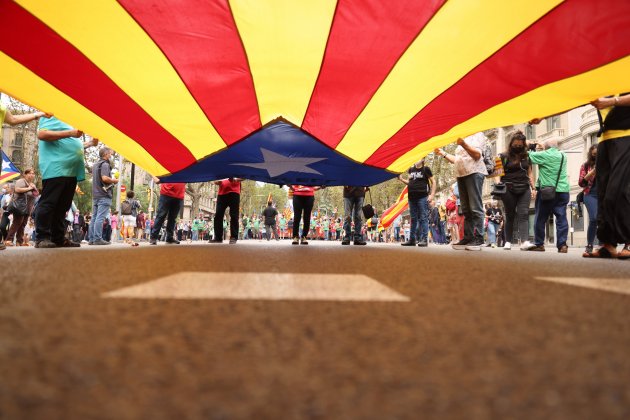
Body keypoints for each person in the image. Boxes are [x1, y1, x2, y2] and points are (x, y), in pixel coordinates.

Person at [35, 116, 98, 248]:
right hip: (56, 168)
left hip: (71, 171)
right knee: (49, 203)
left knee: (63, 206)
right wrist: (71, 133)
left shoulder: (68, 121)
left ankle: (58, 238)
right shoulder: (51, 115)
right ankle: (42, 237)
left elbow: (71, 144)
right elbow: (42, 134)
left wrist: (90, 143)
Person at [586, 93, 630, 259]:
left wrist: (612, 101)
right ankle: (608, 244)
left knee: (619, 191)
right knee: (603, 195)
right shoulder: (603, 79)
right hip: (605, 140)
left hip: (626, 136)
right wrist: (542, 115)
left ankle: (628, 240)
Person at [435, 132, 488, 251]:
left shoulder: (478, 134)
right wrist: (443, 153)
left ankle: (479, 239)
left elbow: (477, 155)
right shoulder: (463, 136)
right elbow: (457, 160)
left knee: (475, 207)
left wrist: (463, 144)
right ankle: (468, 237)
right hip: (461, 174)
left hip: (474, 172)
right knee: (466, 208)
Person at [525, 138, 569, 253]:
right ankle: (562, 245)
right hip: (563, 190)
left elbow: (527, 156)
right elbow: (551, 151)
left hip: (547, 192)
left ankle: (539, 244)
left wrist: (530, 144)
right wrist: (544, 146)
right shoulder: (563, 155)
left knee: (540, 218)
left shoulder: (543, 155)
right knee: (561, 218)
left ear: (546, 148)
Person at [498, 131, 535, 250]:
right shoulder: (503, 156)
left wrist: (533, 188)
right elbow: (497, 173)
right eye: (516, 144)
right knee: (510, 215)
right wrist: (498, 183)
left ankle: (524, 241)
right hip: (508, 188)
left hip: (524, 188)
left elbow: (530, 172)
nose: (518, 146)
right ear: (511, 144)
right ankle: (508, 241)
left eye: (520, 144)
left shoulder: (527, 156)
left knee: (524, 214)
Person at [398, 159, 435, 247]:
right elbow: (410, 183)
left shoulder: (426, 169)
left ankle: (424, 239)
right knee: (413, 219)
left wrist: (432, 195)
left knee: (423, 218)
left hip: (422, 197)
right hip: (411, 198)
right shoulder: (411, 170)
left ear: (423, 159)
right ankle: (412, 240)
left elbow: (434, 182)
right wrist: (401, 179)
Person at [89, 147, 118, 245]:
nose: (110, 155)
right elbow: (105, 178)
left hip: (96, 194)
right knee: (100, 217)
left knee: (94, 217)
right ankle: (97, 238)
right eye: (109, 153)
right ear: (105, 154)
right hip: (104, 194)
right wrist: (114, 180)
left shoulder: (95, 165)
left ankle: (92, 239)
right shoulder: (105, 164)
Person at [4, 168, 38, 246]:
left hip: (28, 207)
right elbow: (17, 189)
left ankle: (19, 241)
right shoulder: (21, 181)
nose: (32, 175)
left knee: (23, 224)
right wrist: (29, 188)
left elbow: (36, 195)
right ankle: (8, 240)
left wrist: (34, 188)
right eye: (30, 173)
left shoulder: (32, 184)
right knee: (17, 222)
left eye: (33, 173)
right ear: (25, 174)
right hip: (19, 206)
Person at [149, 177, 185, 245]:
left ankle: (169, 237)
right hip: (166, 193)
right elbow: (154, 169)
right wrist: (155, 177)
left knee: (173, 218)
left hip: (179, 195)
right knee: (161, 215)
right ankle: (153, 237)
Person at [578, 145, 598, 256]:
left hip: (604, 195)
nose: (596, 156)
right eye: (594, 154)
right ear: (590, 154)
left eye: (598, 154)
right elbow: (581, 182)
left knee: (603, 220)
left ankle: (604, 245)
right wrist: (594, 170)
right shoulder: (585, 166)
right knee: (594, 218)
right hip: (590, 194)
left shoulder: (607, 164)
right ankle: (590, 245)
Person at [211, 178, 242, 244]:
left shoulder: (238, 167)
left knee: (234, 215)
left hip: (234, 192)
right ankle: (218, 237)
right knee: (218, 215)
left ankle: (234, 237)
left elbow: (244, 176)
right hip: (222, 193)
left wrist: (236, 179)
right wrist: (217, 182)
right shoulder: (220, 167)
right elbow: (215, 180)